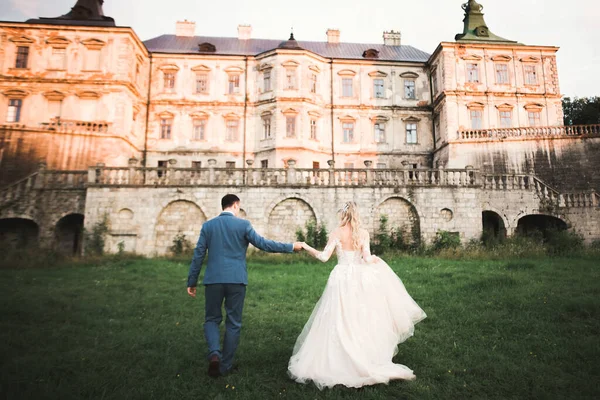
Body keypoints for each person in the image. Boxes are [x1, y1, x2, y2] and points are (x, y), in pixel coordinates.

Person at [288, 201, 427, 389]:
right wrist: (376, 260)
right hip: (360, 278)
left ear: (343, 215)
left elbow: (323, 257)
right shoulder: (363, 234)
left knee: (338, 316)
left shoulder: (337, 232)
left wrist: (305, 246)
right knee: (359, 316)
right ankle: (363, 355)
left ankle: (339, 357)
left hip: (341, 277)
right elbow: (367, 258)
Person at [187, 194, 303, 377]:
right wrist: (291, 247)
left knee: (211, 319)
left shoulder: (208, 226)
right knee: (233, 323)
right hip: (236, 280)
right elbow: (264, 244)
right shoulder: (243, 225)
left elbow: (198, 255)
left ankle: (215, 354)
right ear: (235, 206)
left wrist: (192, 281)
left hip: (213, 280)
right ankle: (225, 367)